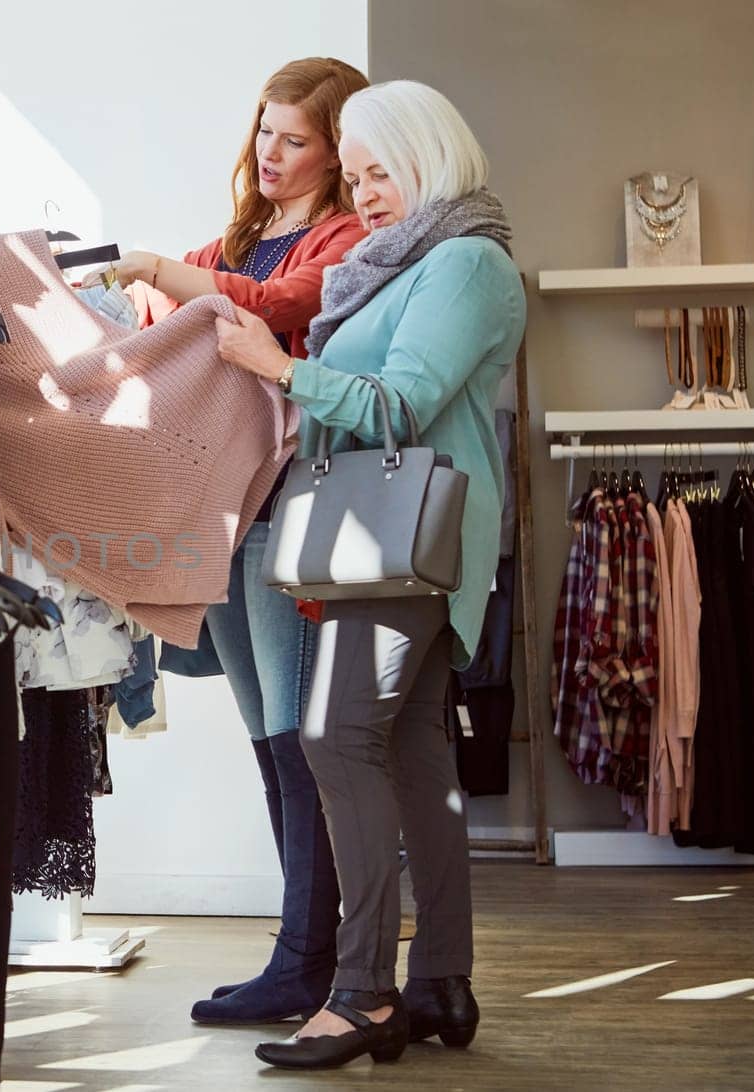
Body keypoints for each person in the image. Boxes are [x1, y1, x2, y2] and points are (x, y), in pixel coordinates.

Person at [214, 79, 526, 1069]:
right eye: (356, 175)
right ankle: (438, 980)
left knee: (335, 737)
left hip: (406, 539)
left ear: (432, 157)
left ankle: (360, 994)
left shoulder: (467, 264)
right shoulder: (406, 266)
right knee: (414, 758)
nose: (368, 192)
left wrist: (278, 365)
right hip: (390, 539)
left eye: (382, 171)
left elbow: (398, 406)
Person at [90, 56, 369, 1027]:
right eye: (264, 132)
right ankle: (298, 953)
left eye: (295, 140)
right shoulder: (246, 234)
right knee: (263, 732)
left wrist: (167, 272)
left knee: (295, 732)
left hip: (290, 496)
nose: (272, 153)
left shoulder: (341, 236)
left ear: (337, 153)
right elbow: (187, 311)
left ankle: (308, 957)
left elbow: (280, 309)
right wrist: (140, 302)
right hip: (229, 503)